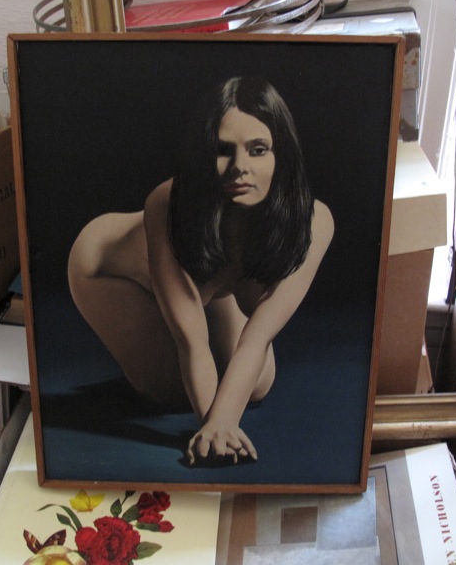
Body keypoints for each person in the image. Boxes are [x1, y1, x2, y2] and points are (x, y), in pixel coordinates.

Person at [68, 76, 334, 466]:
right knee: (167, 390)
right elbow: (191, 340)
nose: (240, 168)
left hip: (208, 284)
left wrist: (223, 422)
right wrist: (214, 428)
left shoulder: (312, 222)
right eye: (224, 151)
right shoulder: (169, 204)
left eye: (258, 149)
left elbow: (258, 337)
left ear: (283, 153)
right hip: (105, 267)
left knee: (257, 385)